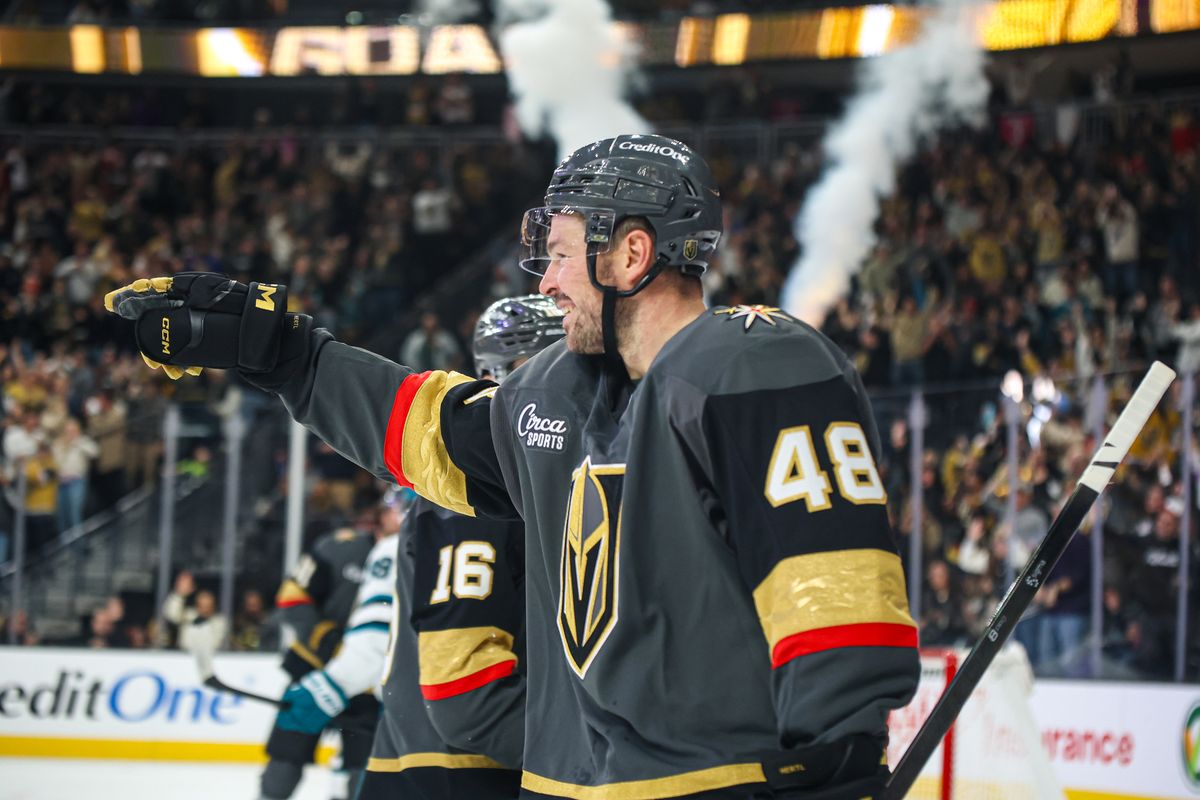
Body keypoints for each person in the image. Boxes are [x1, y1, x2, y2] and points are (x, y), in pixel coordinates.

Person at [106, 134, 920, 800]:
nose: (549, 281)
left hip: (711, 787)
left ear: (632, 253)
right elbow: (422, 428)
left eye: (563, 255)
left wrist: (838, 760)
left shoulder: (751, 362)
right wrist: (285, 356)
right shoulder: (556, 395)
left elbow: (834, 587)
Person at [359, 294, 563, 800]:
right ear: (516, 373)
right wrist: (585, 752)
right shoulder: (482, 488)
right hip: (458, 775)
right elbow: (467, 700)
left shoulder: (519, 476)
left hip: (428, 766)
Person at [271, 488, 406, 800]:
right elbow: (291, 598)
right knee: (286, 760)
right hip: (316, 667)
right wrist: (325, 638)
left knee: (362, 769)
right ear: (380, 515)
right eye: (390, 509)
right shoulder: (338, 548)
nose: (395, 515)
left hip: (373, 684)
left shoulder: (414, 552)